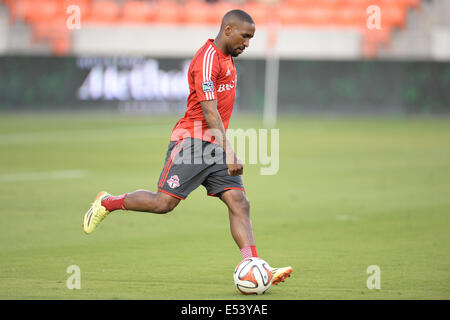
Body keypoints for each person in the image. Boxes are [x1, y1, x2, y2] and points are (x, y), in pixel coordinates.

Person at [82, 9, 292, 286]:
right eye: (245, 36)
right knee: (163, 204)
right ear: (228, 30)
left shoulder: (228, 57)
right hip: (191, 143)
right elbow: (208, 109)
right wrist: (229, 150)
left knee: (239, 202)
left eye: (251, 38)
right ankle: (107, 202)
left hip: (213, 144)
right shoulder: (206, 59)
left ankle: (253, 265)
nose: (248, 43)